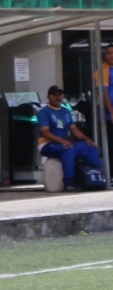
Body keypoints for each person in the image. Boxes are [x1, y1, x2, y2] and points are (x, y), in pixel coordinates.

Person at [37, 85, 102, 192]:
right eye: (54, 95)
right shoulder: (44, 112)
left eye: (60, 95)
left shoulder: (65, 111)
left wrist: (86, 139)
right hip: (47, 144)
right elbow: (45, 132)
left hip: (64, 143)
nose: (58, 97)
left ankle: (95, 178)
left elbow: (74, 129)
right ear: (48, 97)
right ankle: (69, 182)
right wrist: (61, 140)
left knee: (90, 148)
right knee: (69, 148)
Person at [93, 44, 113, 180]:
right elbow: (103, 93)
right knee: (110, 146)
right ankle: (110, 175)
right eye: (109, 53)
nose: (111, 55)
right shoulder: (102, 70)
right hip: (108, 115)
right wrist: (111, 112)